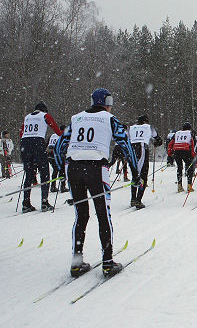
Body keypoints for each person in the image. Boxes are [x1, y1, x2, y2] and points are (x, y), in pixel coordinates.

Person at [54, 88, 140, 278]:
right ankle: (108, 263)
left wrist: (61, 169)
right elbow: (125, 143)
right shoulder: (110, 118)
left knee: (81, 215)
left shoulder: (76, 118)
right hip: (96, 168)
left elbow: (60, 144)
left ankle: (76, 263)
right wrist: (136, 172)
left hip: (73, 168)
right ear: (106, 102)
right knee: (103, 215)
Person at [20, 101, 63, 212]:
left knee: (29, 174)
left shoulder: (27, 117)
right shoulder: (45, 116)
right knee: (44, 172)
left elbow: (21, 133)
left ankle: (26, 203)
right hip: (38, 143)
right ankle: (44, 201)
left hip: (25, 144)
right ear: (44, 110)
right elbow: (57, 131)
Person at [128, 115, 163, 208]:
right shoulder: (148, 127)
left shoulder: (132, 128)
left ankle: (133, 199)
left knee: (135, 175)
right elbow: (158, 139)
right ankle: (138, 200)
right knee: (143, 175)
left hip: (132, 149)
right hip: (142, 148)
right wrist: (156, 143)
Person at [167, 122, 196, 192]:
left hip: (177, 151)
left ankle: (179, 186)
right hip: (186, 151)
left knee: (179, 168)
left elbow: (170, 143)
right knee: (189, 168)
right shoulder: (190, 133)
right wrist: (194, 154)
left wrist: (170, 153)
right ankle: (189, 186)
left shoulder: (177, 133)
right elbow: (193, 143)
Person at [47, 125, 68, 193]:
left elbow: (47, 143)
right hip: (56, 154)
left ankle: (53, 186)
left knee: (55, 170)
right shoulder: (63, 135)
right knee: (62, 170)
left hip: (49, 154)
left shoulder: (53, 135)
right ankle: (62, 186)